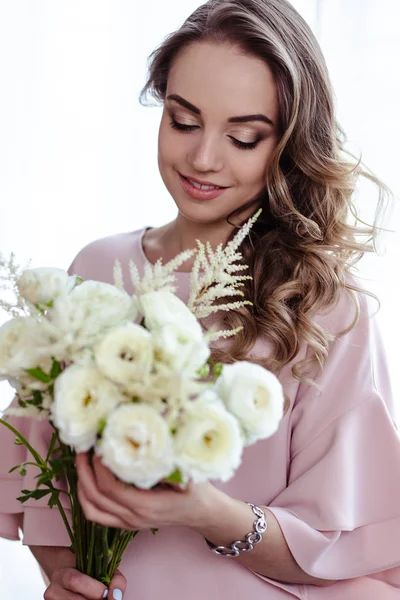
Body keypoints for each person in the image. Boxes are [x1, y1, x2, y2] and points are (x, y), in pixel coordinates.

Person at [1, 0, 400, 598]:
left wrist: (208, 511)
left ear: (288, 145)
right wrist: (64, 578)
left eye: (243, 137)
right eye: (183, 121)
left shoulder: (325, 308)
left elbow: (343, 549)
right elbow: (45, 486)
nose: (203, 159)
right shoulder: (97, 271)